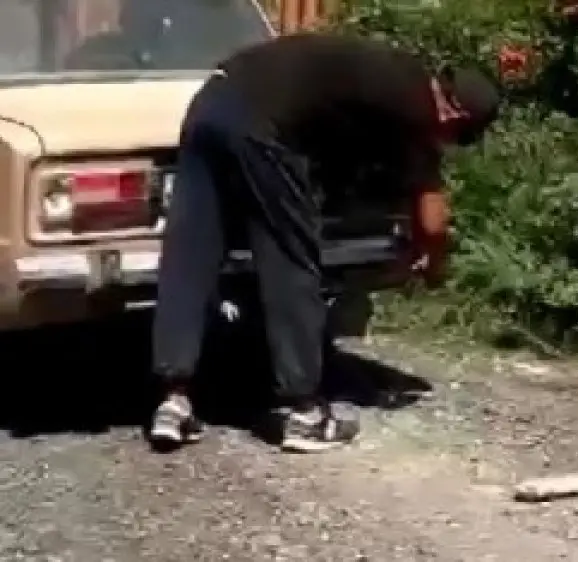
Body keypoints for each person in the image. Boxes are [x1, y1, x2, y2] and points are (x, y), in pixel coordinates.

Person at [148, 32, 501, 453]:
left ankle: (174, 402)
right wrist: (432, 262)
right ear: (455, 114)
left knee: (192, 253)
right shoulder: (415, 106)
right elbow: (432, 217)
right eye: (460, 137)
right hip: (261, 122)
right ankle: (304, 413)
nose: (448, 143)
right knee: (289, 258)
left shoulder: (391, 72)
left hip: (210, 104)